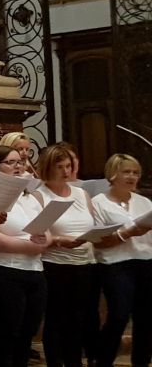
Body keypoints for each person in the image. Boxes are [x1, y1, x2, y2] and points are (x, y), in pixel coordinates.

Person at [0, 146, 52, 367]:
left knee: (27, 332)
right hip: (4, 270)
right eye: (10, 163)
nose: (18, 167)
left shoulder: (31, 197)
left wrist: (44, 243)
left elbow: (46, 231)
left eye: (19, 162)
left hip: (35, 271)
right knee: (5, 332)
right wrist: (27, 246)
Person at [37, 143, 99, 367]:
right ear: (48, 168)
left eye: (68, 166)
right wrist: (60, 241)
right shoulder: (39, 195)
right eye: (59, 167)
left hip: (84, 263)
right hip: (55, 264)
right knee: (56, 319)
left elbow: (92, 223)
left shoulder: (81, 193)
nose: (65, 172)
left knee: (78, 319)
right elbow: (39, 235)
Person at [88, 154, 151, 367]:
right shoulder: (99, 203)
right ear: (113, 174)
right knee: (119, 315)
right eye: (127, 172)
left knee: (146, 319)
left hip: (145, 261)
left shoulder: (144, 202)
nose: (132, 176)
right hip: (115, 263)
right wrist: (128, 233)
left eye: (135, 172)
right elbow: (97, 242)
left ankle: (141, 363)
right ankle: (103, 361)